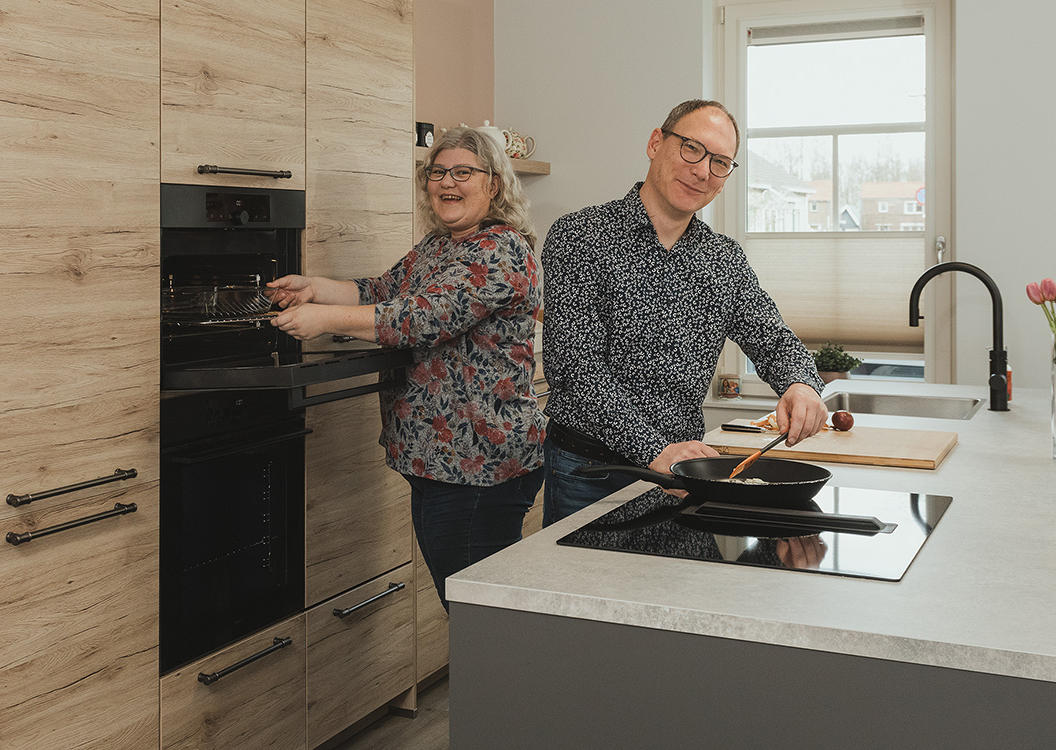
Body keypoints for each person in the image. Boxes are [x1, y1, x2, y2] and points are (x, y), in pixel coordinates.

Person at [266, 127, 545, 607]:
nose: (447, 183)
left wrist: (324, 319)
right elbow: (383, 291)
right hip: (440, 462)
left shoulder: (500, 249)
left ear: (494, 184)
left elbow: (421, 317)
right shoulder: (440, 245)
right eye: (438, 172)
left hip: (479, 466)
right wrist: (315, 288)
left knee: (482, 617)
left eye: (463, 172)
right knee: (477, 613)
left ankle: (507, 684)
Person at [540, 99, 827, 527]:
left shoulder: (723, 259)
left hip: (684, 473)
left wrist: (802, 384)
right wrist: (655, 450)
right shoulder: (581, 237)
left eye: (720, 162)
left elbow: (772, 338)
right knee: (582, 592)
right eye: (691, 148)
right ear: (656, 143)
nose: (701, 170)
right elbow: (575, 369)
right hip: (592, 474)